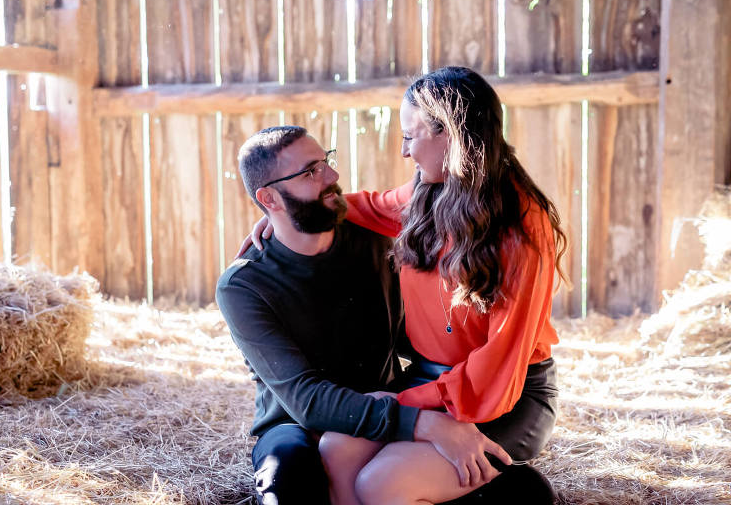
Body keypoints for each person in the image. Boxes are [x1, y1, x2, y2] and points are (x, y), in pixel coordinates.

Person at [241, 66, 565, 504]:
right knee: (336, 448)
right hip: (435, 381)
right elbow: (366, 206)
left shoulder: (523, 228)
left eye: (410, 136)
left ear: (449, 135)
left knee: (384, 481)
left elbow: (497, 372)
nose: (405, 152)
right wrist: (280, 212)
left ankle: (503, 484)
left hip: (507, 394)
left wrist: (412, 404)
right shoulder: (428, 195)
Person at [216, 125, 512, 505]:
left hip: (389, 402)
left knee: (514, 490)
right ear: (269, 198)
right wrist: (422, 424)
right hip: (297, 423)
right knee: (287, 480)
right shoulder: (243, 285)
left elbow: (424, 333)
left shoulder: (378, 242)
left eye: (326, 162)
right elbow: (306, 400)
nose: (333, 177)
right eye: (311, 172)